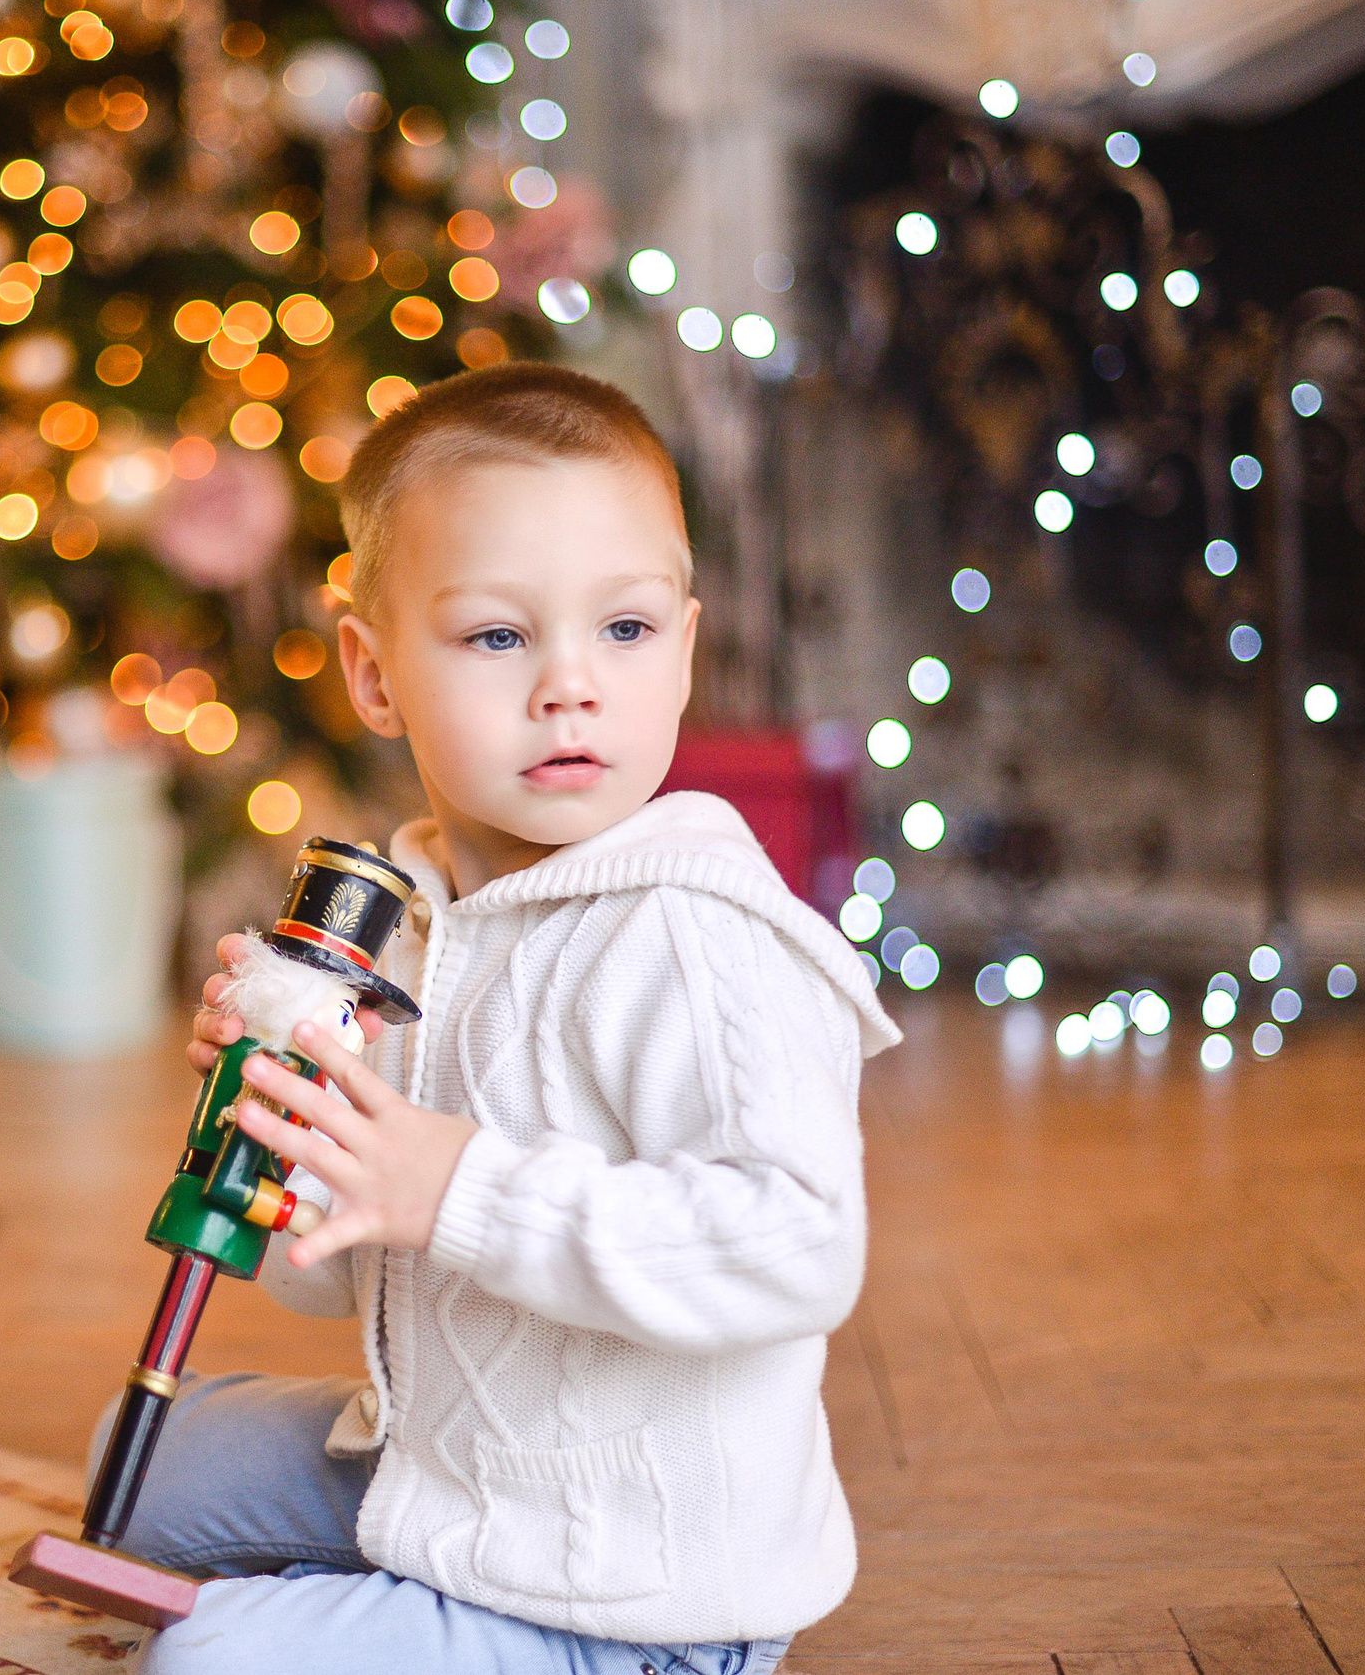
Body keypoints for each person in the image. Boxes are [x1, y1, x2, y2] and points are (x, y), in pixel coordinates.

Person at [96, 361, 901, 1674]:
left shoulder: (695, 932)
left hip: (641, 1578)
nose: (569, 685)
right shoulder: (419, 921)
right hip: (472, 1460)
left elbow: (800, 1248)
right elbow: (365, 1276)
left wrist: (451, 1179)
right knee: (134, 1472)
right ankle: (406, 1591)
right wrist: (298, 1149)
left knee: (211, 1658)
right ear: (372, 673)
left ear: (686, 650)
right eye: (498, 636)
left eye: (626, 631)